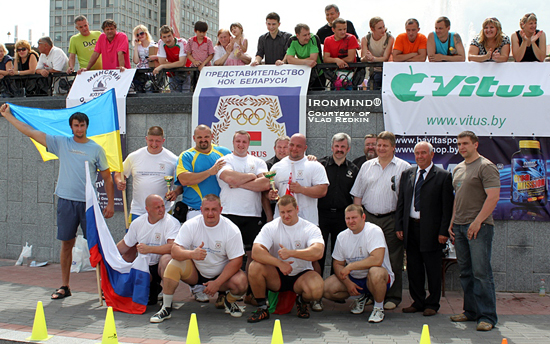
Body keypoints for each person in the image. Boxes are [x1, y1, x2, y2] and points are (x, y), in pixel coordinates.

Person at [0, 104, 114, 300]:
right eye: (76, 125)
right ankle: (64, 286)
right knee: (66, 243)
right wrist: (8, 116)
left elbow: (107, 177)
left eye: (83, 125)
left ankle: (104, 288)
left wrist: (110, 203)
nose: (79, 129)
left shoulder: (96, 149)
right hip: (66, 201)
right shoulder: (61, 143)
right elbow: (31, 132)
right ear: (71, 127)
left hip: (88, 204)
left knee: (96, 245)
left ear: (87, 126)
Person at [150, 194, 248, 322]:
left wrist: (217, 283)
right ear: (201, 210)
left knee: (241, 282)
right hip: (195, 272)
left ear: (221, 210)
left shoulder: (231, 229)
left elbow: (237, 261)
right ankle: (166, 307)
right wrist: (191, 254)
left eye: (214, 209)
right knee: (172, 263)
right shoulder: (191, 225)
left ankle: (229, 301)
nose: (210, 213)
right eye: (207, 209)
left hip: (221, 275)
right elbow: (174, 250)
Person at [350, 131, 410, 310]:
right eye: (379, 145)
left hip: (392, 219)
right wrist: (360, 221)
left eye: (385, 145)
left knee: (393, 258)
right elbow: (358, 195)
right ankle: (370, 294)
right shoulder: (366, 166)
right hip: (369, 218)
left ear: (393, 147)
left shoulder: (404, 167)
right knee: (370, 258)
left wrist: (401, 223)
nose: (381, 148)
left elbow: (406, 199)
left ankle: (392, 296)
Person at [448, 131, 500, 331]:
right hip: (460, 227)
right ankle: (470, 312)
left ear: (476, 144)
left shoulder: (486, 167)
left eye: (465, 143)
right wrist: (452, 222)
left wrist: (477, 222)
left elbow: (493, 197)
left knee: (481, 273)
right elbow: (458, 198)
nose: (462, 147)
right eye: (459, 144)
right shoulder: (459, 168)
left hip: (479, 227)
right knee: (466, 273)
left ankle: (487, 316)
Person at [395, 141, 453, 316]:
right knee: (413, 268)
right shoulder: (408, 174)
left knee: (433, 268)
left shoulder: (442, 176)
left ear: (432, 154)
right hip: (411, 228)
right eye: (417, 153)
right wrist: (400, 225)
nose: (420, 156)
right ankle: (418, 301)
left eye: (423, 153)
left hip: (432, 231)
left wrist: (444, 232)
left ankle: (432, 304)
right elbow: (402, 203)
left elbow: (447, 207)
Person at [247, 195, 325, 323]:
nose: (286, 215)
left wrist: (292, 253)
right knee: (255, 266)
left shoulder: (310, 228)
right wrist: (279, 263)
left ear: (297, 209)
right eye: (282, 212)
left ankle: (302, 301)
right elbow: (256, 252)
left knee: (317, 289)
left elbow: (318, 252)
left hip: (301, 274)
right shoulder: (271, 227)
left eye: (289, 211)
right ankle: (262, 308)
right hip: (277, 275)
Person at [176, 124, 230, 302]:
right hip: (194, 212)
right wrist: (210, 172)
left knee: (220, 252)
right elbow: (183, 179)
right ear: (194, 138)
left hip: (220, 213)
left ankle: (223, 290)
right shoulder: (187, 155)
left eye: (206, 137)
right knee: (195, 252)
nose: (203, 140)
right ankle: (197, 286)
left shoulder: (224, 153)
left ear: (212, 136)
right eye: (199, 137)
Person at [323, 204, 394, 323]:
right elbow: (337, 264)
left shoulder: (374, 231)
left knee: (375, 272)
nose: (351, 221)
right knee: (326, 288)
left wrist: (351, 266)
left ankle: (378, 307)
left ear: (363, 217)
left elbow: (377, 260)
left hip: (377, 278)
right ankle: (360, 298)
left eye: (354, 218)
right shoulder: (342, 236)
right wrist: (348, 283)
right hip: (355, 278)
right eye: (348, 218)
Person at [216, 130, 269, 274]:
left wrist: (239, 183)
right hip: (229, 213)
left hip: (252, 215)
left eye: (244, 141)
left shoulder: (258, 162)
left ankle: (248, 293)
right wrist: (252, 176)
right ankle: (224, 292)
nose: (241, 144)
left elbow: (264, 184)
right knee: (227, 255)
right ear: (233, 143)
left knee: (252, 255)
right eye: (238, 141)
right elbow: (229, 178)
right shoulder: (225, 160)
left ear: (249, 143)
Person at [116, 194, 180, 306]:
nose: (161, 210)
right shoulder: (138, 223)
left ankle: (167, 301)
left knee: (167, 259)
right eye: (157, 207)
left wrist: (149, 249)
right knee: (127, 255)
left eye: (162, 206)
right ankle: (148, 290)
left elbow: (172, 247)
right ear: (147, 209)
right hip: (144, 267)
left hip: (161, 265)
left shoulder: (171, 222)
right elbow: (125, 245)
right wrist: (107, 254)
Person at [114, 126, 181, 221]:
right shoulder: (134, 156)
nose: (154, 144)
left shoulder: (173, 159)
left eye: (157, 141)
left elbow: (183, 182)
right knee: (133, 236)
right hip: (138, 211)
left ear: (163, 140)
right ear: (146, 139)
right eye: (151, 140)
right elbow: (119, 173)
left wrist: (176, 192)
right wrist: (119, 181)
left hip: (163, 211)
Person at [317, 133, 358, 278]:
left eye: (343, 147)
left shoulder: (353, 170)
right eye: (337, 146)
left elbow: (356, 195)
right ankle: (317, 287)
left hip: (342, 217)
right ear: (331, 147)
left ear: (348, 149)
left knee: (339, 253)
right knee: (319, 251)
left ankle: (335, 285)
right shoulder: (320, 165)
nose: (339, 149)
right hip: (322, 214)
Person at [269, 133, 329, 226]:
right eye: (292, 145)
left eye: (298, 146)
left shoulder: (314, 165)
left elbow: (322, 191)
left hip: (307, 222)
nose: (294, 148)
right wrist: (271, 194)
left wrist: (301, 189)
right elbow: (269, 190)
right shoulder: (276, 167)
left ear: (305, 148)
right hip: (281, 222)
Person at [285, 23, 325, 90]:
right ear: (297, 35)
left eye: (308, 34)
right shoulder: (292, 40)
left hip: (317, 73)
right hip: (303, 74)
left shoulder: (313, 38)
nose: (308, 37)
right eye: (305, 35)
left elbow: (313, 59)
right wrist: (306, 62)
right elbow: (289, 60)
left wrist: (297, 61)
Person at [360, 17, 394, 90]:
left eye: (383, 27)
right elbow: (362, 58)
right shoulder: (366, 39)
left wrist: (373, 59)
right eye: (379, 28)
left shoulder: (389, 38)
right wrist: (366, 57)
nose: (383, 30)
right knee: (372, 95)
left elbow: (385, 58)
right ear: (372, 29)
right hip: (374, 72)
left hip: (387, 71)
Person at [153, 25, 189, 92]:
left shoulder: (182, 42)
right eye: (164, 37)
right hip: (172, 74)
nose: (167, 39)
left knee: (186, 97)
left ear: (173, 35)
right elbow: (161, 61)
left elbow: (182, 63)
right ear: (161, 38)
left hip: (187, 73)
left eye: (169, 36)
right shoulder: (161, 43)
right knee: (174, 98)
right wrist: (177, 64)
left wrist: (163, 66)